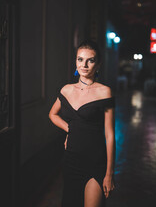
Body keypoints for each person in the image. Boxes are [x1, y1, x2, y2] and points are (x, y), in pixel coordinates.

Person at [49, 40, 115, 207]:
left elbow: (110, 134)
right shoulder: (66, 90)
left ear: (98, 64)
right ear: (75, 62)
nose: (84, 65)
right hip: (71, 161)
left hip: (96, 161)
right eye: (80, 59)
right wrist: (70, 130)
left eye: (90, 60)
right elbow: (52, 114)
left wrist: (109, 173)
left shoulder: (104, 92)